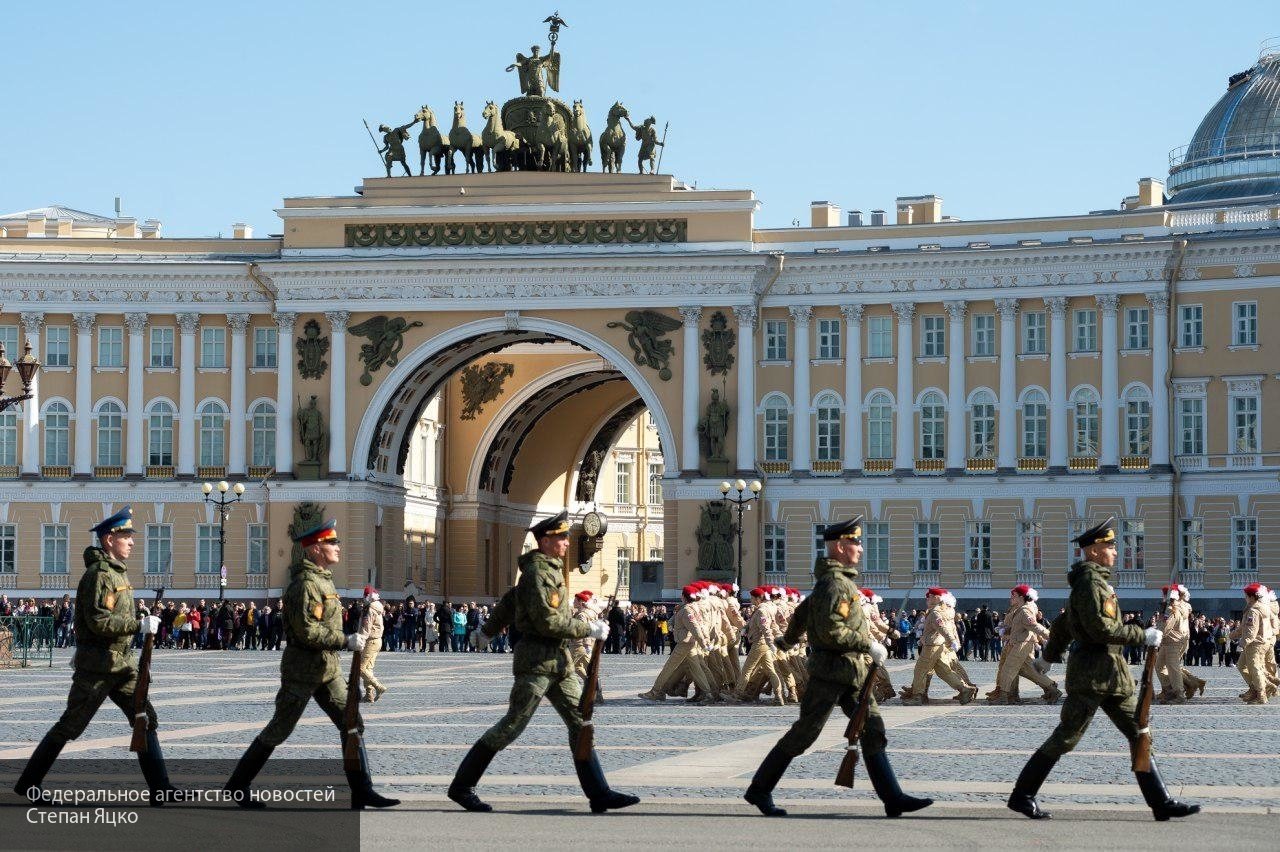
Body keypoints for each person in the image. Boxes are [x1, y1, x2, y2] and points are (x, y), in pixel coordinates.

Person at [446, 511, 639, 814]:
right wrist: (587, 628)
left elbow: (511, 601)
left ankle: (599, 793)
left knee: (581, 721)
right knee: (512, 725)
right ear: (546, 542)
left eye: (565, 537)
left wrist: (487, 629)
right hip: (537, 661)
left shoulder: (547, 570)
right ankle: (461, 786)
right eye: (561, 537)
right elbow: (549, 622)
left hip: (557, 662)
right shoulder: (538, 573)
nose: (566, 542)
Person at [1007, 517, 1199, 822]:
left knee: (1139, 733)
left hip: (1111, 677)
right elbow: (1099, 628)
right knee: (1066, 737)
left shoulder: (1096, 583)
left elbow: (1064, 623)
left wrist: (1049, 656)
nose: (1114, 551)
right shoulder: (1089, 584)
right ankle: (1022, 795)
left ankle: (1161, 802)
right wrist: (1142, 635)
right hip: (1091, 677)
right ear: (1093, 551)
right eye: (1108, 546)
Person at [744, 516, 932, 819]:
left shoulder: (833, 582)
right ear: (841, 546)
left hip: (850, 673)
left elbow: (804, 613)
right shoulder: (836, 584)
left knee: (872, 729)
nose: (860, 548)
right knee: (806, 732)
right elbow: (833, 630)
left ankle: (892, 797)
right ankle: (759, 789)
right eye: (856, 542)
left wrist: (787, 640)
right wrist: (866, 644)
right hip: (832, 671)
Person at [223, 520, 399, 810]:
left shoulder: (323, 579)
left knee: (352, 722)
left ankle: (362, 790)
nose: (338, 547)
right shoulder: (306, 585)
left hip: (327, 669)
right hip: (302, 670)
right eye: (332, 543)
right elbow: (307, 631)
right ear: (317, 549)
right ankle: (237, 785)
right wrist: (345, 640)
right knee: (279, 729)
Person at [13, 506, 178, 806]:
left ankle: (161, 788)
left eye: (130, 535)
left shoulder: (116, 574)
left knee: (145, 720)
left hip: (122, 665)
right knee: (70, 725)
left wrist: (139, 617)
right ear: (108, 539)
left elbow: (115, 613)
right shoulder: (99, 575)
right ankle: (29, 783)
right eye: (126, 536)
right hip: (99, 666)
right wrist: (138, 624)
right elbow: (98, 621)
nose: (132, 541)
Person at [900, 588, 977, 705]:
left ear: (937, 598)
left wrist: (952, 640)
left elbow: (942, 628)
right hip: (936, 644)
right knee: (944, 671)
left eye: (930, 596)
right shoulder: (936, 611)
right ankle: (964, 689)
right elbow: (934, 630)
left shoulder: (936, 612)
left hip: (932, 646)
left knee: (921, 670)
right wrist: (923, 639)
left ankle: (918, 696)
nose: (927, 598)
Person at [988, 585, 1060, 705]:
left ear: (1021, 597)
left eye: (1014, 595)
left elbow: (1035, 626)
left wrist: (1051, 637)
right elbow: (1018, 627)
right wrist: (1005, 630)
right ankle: (1052, 689)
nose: (1011, 598)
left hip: (1021, 644)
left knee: (1008, 669)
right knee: (1028, 670)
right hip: (1018, 642)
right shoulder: (1020, 609)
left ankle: (1004, 696)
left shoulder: (1025, 610)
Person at [1231, 583, 1274, 704]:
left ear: (1252, 597)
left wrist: (1242, 644)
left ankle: (1261, 695)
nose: (1244, 597)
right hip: (1257, 642)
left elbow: (1250, 632)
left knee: (1255, 669)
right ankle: (1256, 688)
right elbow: (1244, 628)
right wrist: (1232, 635)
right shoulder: (1255, 607)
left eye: (1245, 595)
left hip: (1255, 644)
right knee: (1241, 666)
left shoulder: (1254, 611)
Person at [358, 585, 388, 702]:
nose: (363, 598)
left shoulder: (370, 609)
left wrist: (361, 641)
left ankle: (378, 687)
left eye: (365, 596)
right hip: (377, 640)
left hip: (370, 641)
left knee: (360, 669)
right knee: (368, 668)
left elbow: (366, 627)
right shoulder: (378, 607)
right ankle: (369, 694)